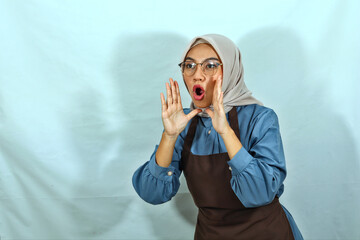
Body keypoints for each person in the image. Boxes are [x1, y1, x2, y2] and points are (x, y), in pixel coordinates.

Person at [132, 34, 303, 240]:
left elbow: (260, 193)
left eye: (210, 66)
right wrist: (169, 136)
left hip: (267, 233)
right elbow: (152, 194)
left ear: (230, 69)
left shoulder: (261, 118)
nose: (197, 75)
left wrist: (226, 132)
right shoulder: (183, 124)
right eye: (189, 65)